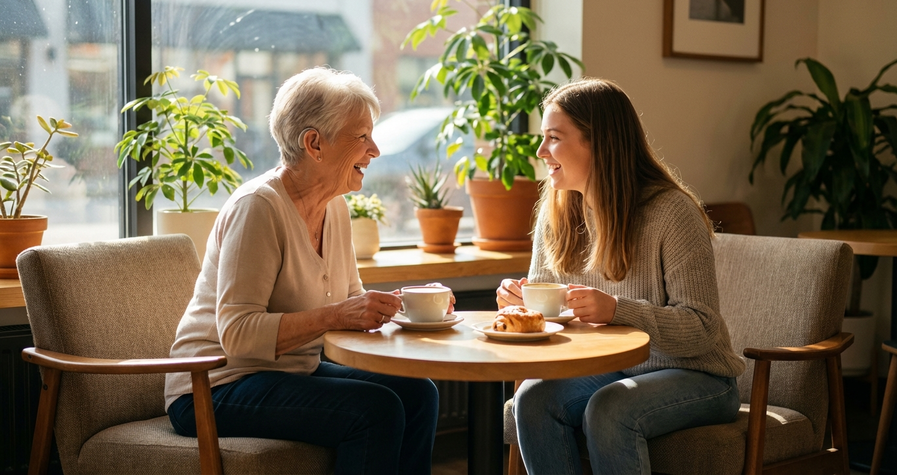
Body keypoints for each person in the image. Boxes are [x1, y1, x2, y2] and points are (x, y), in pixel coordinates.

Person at [164, 67, 442, 474]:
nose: (375, 149)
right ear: (314, 143)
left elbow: (350, 306)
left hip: (291, 369)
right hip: (214, 385)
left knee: (419, 393)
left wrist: (405, 305)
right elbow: (238, 335)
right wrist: (338, 315)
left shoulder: (336, 207)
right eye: (361, 136)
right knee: (375, 410)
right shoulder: (258, 208)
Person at [496, 77, 745, 475]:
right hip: (618, 371)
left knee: (609, 410)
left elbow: (702, 328)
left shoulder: (671, 213)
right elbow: (549, 311)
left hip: (700, 376)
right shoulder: (557, 211)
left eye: (554, 138)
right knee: (533, 400)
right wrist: (521, 304)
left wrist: (618, 310)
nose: (541, 151)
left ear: (598, 143)